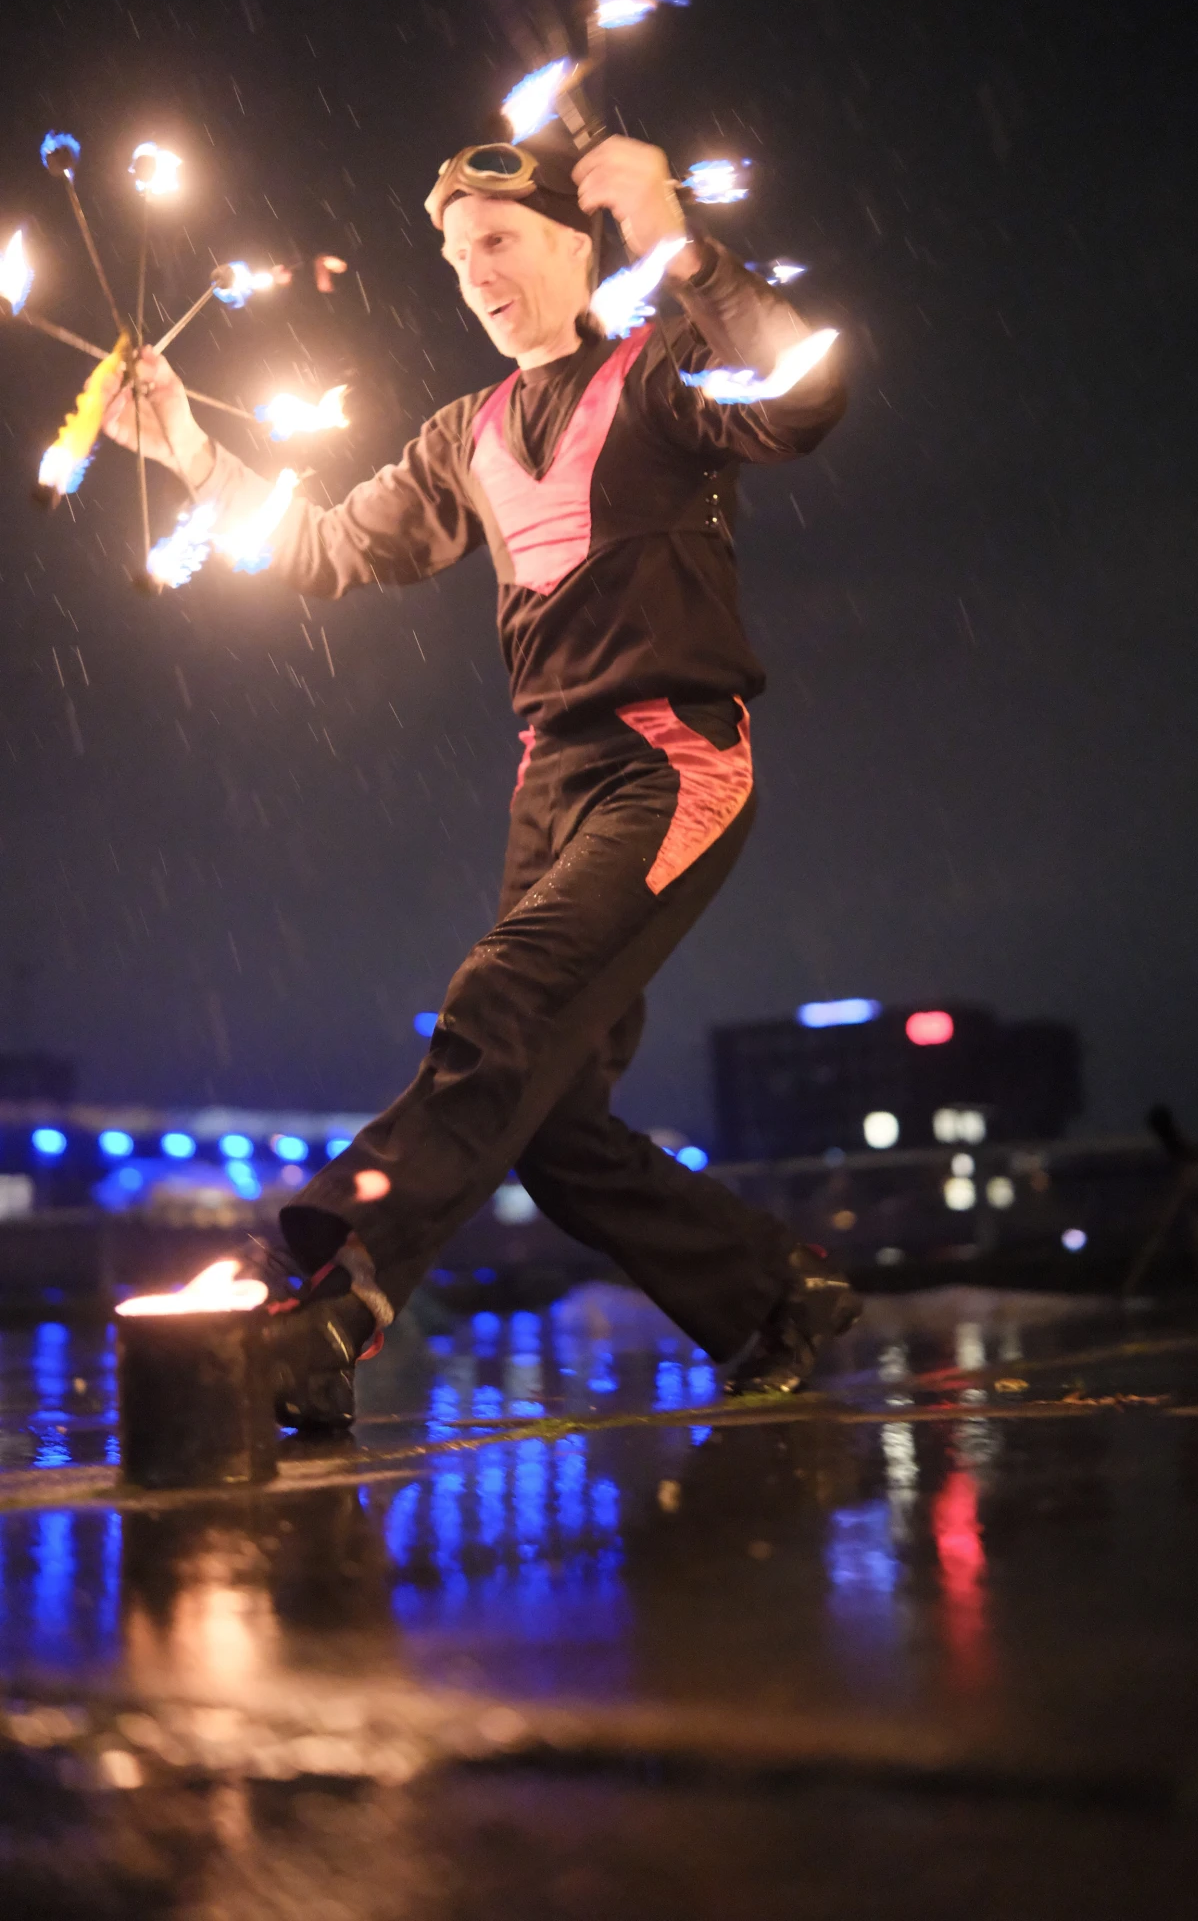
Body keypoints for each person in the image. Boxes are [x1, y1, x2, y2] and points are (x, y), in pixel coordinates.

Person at [103, 133, 860, 1427]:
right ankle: (773, 1301)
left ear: (579, 242)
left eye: (500, 241)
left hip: (671, 763)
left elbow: (799, 399)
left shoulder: (667, 375)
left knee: (498, 998)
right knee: (553, 1124)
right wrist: (183, 443)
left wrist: (672, 233)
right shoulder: (468, 432)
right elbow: (330, 548)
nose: (476, 274)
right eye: (457, 256)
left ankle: (336, 1295)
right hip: (551, 785)